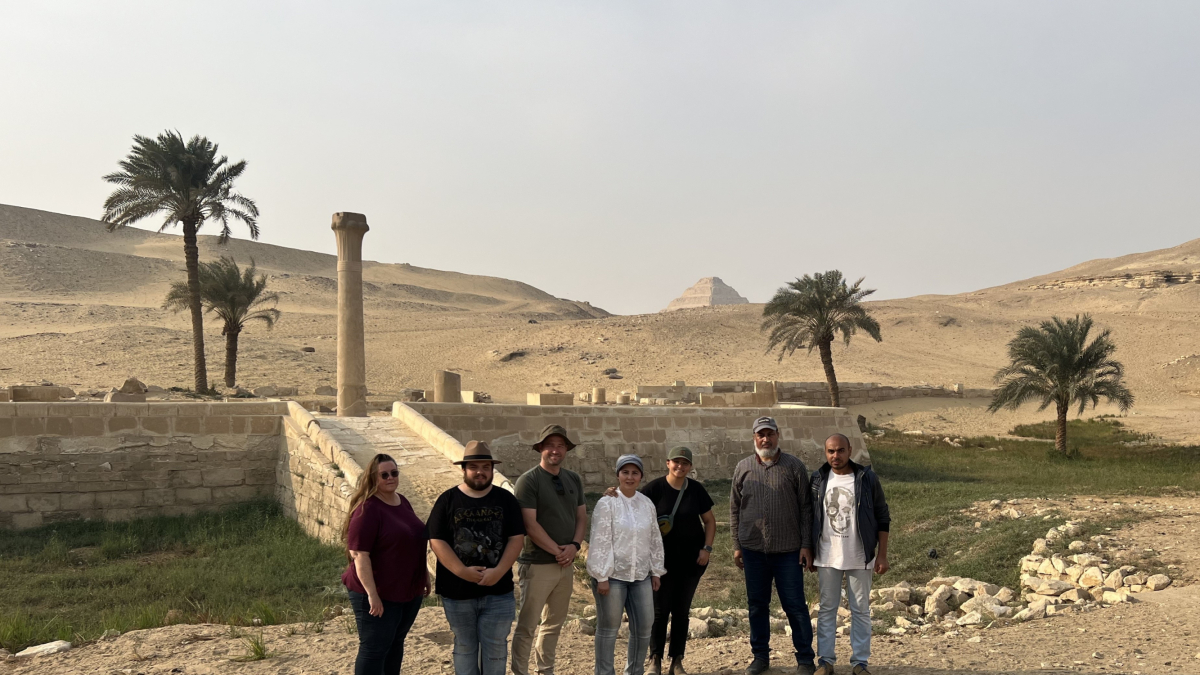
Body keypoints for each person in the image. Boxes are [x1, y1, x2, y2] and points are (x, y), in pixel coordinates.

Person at [428, 441, 526, 675]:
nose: (480, 472)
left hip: (498, 592)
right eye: (474, 466)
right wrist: (462, 571)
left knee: (496, 650)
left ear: (492, 470)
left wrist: (499, 571)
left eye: (485, 466)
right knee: (464, 647)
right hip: (458, 593)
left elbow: (516, 538)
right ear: (464, 469)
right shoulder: (447, 500)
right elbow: (436, 540)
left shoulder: (506, 500)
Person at [730, 416, 817, 675]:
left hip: (789, 551)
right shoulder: (742, 467)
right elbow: (735, 509)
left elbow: (806, 508)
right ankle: (760, 657)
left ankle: (805, 659)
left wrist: (805, 544)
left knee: (795, 605)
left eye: (770, 434)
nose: (765, 439)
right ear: (754, 438)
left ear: (778, 435)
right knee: (757, 605)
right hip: (753, 551)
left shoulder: (794, 466)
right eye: (760, 435)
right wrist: (737, 545)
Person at [623, 447, 716, 675]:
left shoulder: (695, 490)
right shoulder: (655, 488)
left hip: (691, 562)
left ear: (690, 467)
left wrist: (707, 548)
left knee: (681, 611)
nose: (680, 467)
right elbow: (631, 504)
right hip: (660, 563)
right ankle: (655, 660)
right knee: (660, 611)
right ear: (667, 463)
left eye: (685, 463)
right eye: (676, 462)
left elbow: (710, 522)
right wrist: (612, 493)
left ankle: (677, 661)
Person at [342, 453, 432, 675]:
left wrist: (425, 576)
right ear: (373, 478)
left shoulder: (403, 501)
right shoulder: (367, 509)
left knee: (395, 642)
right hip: (378, 592)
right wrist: (372, 594)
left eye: (394, 473)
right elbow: (360, 554)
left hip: (407, 590)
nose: (390, 478)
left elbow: (414, 541)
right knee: (374, 649)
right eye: (384, 475)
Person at [809, 434, 890, 675]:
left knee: (861, 610)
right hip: (826, 555)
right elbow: (809, 515)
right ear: (826, 453)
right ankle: (825, 661)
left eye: (841, 450)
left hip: (860, 555)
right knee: (826, 609)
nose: (836, 456)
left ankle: (860, 663)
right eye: (831, 451)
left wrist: (882, 555)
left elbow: (882, 515)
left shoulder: (866, 478)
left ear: (850, 450)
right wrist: (808, 549)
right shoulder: (818, 479)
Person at [512, 425, 588, 675]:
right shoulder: (529, 481)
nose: (556, 450)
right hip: (538, 563)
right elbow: (529, 524)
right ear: (541, 448)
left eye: (561, 445)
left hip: (565, 564)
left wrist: (575, 546)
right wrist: (559, 551)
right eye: (551, 445)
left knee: (554, 624)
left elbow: (581, 518)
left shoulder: (573, 479)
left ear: (566, 449)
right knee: (527, 625)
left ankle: (546, 671)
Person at [588, 454, 666, 675]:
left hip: (640, 576)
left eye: (634, 473)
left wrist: (656, 571)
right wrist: (601, 576)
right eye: (625, 472)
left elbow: (654, 538)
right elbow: (600, 539)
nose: (629, 477)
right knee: (608, 628)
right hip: (613, 577)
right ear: (618, 475)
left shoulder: (646, 504)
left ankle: (634, 671)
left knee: (643, 626)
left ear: (641, 476)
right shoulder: (607, 503)